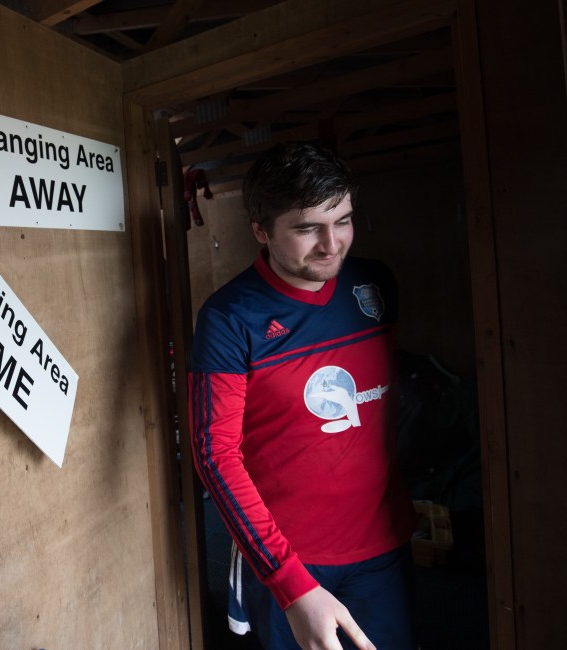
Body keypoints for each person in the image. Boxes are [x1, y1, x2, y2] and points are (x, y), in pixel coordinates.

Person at [188, 141, 417, 650]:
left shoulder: (375, 285)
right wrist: (290, 585)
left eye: (343, 220)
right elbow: (214, 455)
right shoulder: (230, 318)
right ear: (261, 231)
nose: (331, 244)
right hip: (290, 559)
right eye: (307, 227)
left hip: (382, 546)